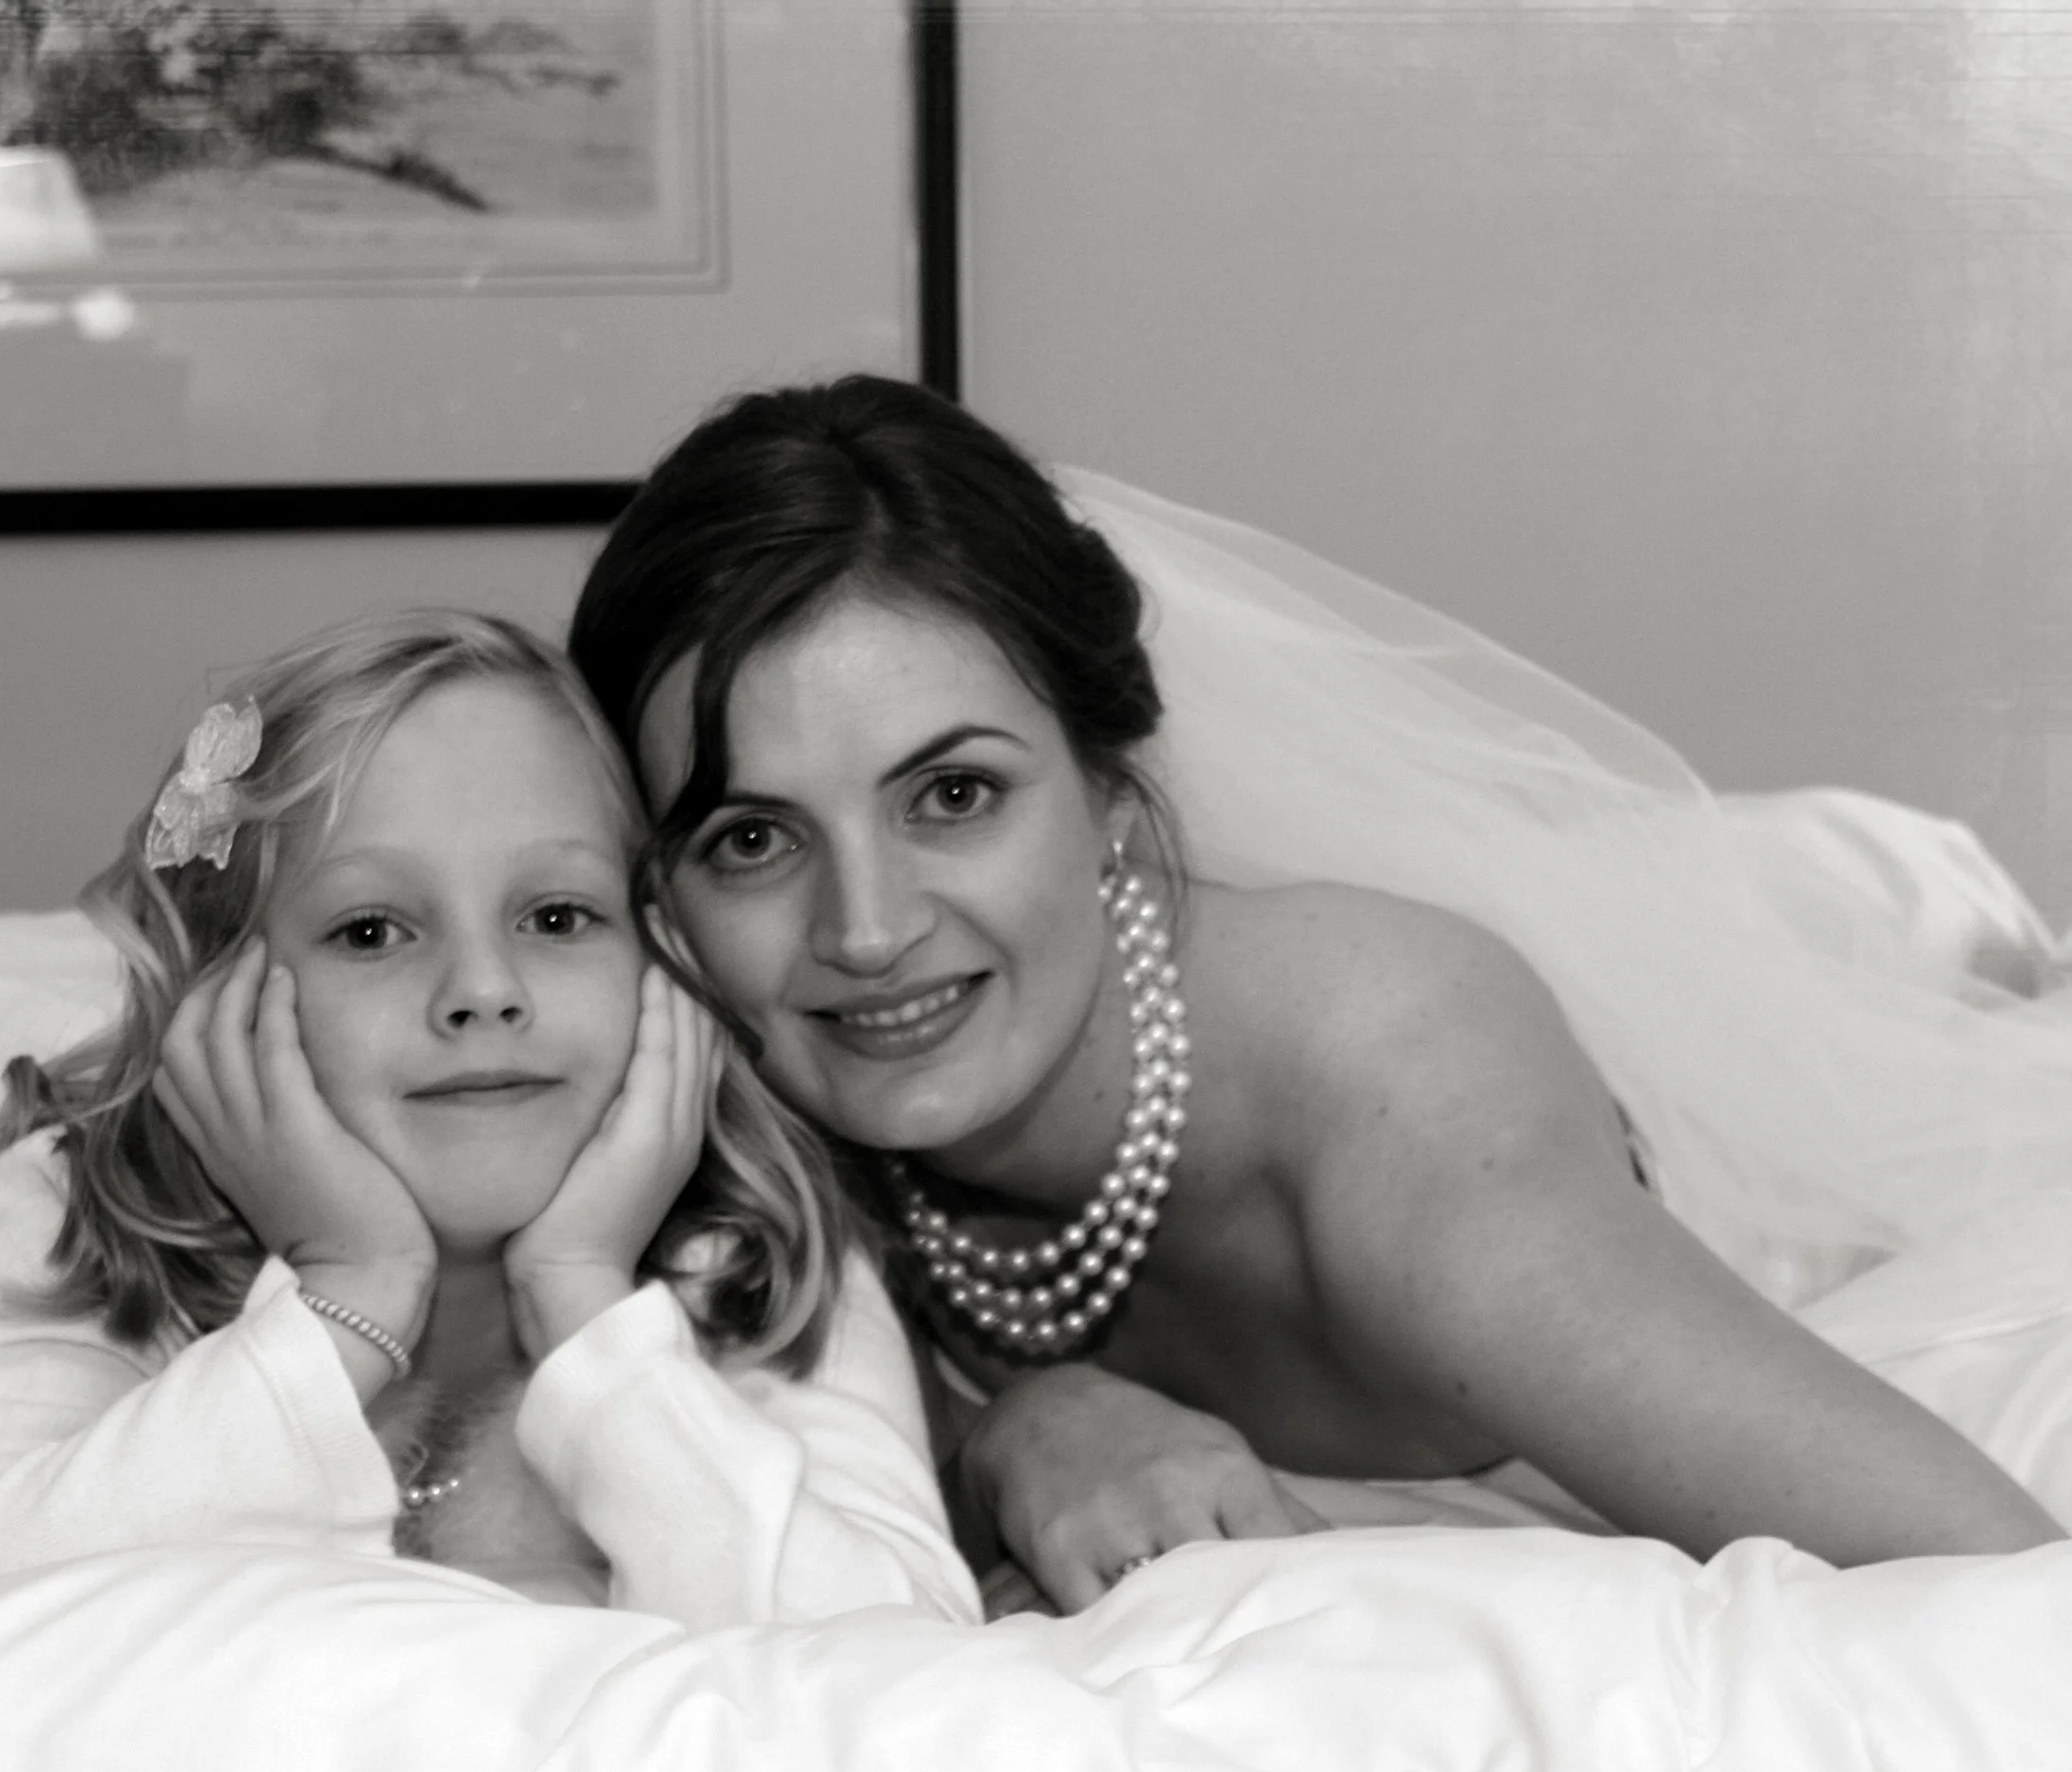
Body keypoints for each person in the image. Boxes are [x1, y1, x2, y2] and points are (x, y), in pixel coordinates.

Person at [566, 374, 2072, 1614]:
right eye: (752, 837)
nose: (870, 927)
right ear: (663, 892)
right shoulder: (721, 1100)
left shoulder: (1390, 1090)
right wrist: (1015, 1427)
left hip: (1808, 1172)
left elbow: (1993, 1582)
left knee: (1901, 931)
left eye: (952, 794)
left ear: (1103, 789)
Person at [0, 609, 980, 1631]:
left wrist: (588, 1308)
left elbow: (896, 1650)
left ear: (661, 963)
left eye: (559, 915)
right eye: (372, 931)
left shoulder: (753, 1255)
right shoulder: (102, 1221)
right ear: (219, 993)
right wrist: (344, 1303)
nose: (483, 987)